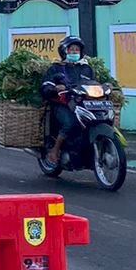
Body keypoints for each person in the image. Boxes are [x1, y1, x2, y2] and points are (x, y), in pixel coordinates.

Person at [40, 35, 95, 170]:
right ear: (64, 51)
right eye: (71, 50)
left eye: (77, 50)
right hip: (62, 104)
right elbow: (45, 85)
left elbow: (93, 82)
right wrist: (54, 88)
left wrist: (107, 85)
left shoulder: (86, 68)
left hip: (82, 104)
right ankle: (54, 150)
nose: (75, 52)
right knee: (71, 123)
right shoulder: (57, 68)